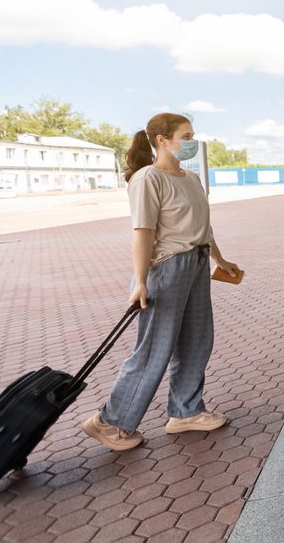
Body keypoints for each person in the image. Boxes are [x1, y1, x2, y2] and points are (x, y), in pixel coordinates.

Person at [82, 113, 239, 450]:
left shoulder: (191, 178)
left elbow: (203, 226)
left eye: (193, 134)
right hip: (167, 269)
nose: (192, 141)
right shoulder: (147, 179)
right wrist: (140, 281)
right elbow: (143, 233)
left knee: (197, 341)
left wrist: (219, 260)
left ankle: (185, 412)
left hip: (196, 263)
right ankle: (110, 422)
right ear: (162, 140)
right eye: (186, 135)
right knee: (155, 348)